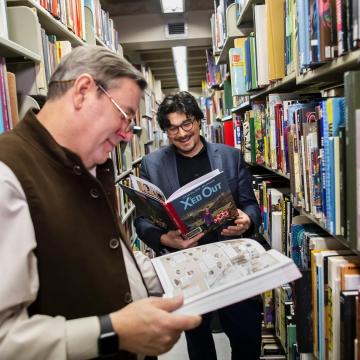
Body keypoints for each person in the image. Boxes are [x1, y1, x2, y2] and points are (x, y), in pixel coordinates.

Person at [0, 46, 201, 360]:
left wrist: (189, 270)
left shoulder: (84, 163)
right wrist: (113, 331)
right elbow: (4, 339)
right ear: (82, 91)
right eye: (124, 116)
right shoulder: (7, 174)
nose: (125, 135)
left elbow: (104, 254)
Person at [134, 91, 262, 360]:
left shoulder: (230, 156)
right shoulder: (152, 164)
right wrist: (165, 239)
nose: (181, 133)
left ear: (199, 121)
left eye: (187, 123)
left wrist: (247, 220)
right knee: (199, 344)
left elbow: (251, 206)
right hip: (187, 271)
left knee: (246, 339)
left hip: (233, 265)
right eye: (173, 128)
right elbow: (142, 221)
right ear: (165, 131)